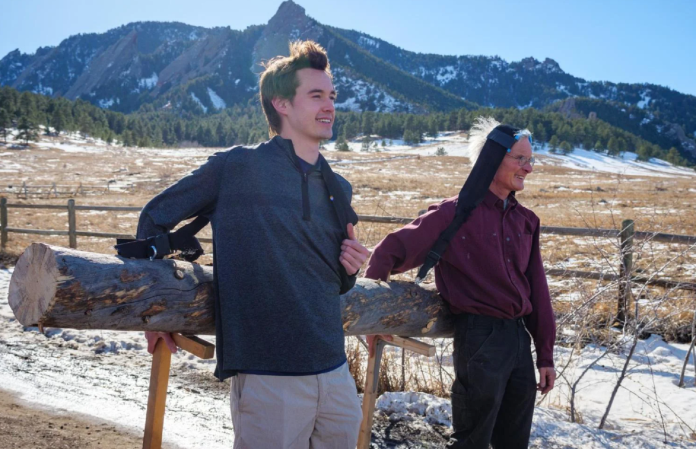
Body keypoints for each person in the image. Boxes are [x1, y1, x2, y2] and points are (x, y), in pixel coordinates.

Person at [136, 40, 370, 449]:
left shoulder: (338, 187)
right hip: (268, 377)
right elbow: (155, 216)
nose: (330, 105)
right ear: (281, 103)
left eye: (332, 96)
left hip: (335, 375)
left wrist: (349, 270)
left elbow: (332, 283)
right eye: (316, 95)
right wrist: (155, 312)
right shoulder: (236, 168)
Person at [364, 117, 556, 448]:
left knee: (514, 442)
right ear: (493, 159)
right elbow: (389, 251)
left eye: (531, 160)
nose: (529, 168)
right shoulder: (456, 213)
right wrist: (373, 314)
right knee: (472, 442)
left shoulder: (527, 221)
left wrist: (545, 355)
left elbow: (537, 289)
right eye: (520, 159)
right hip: (479, 338)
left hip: (518, 341)